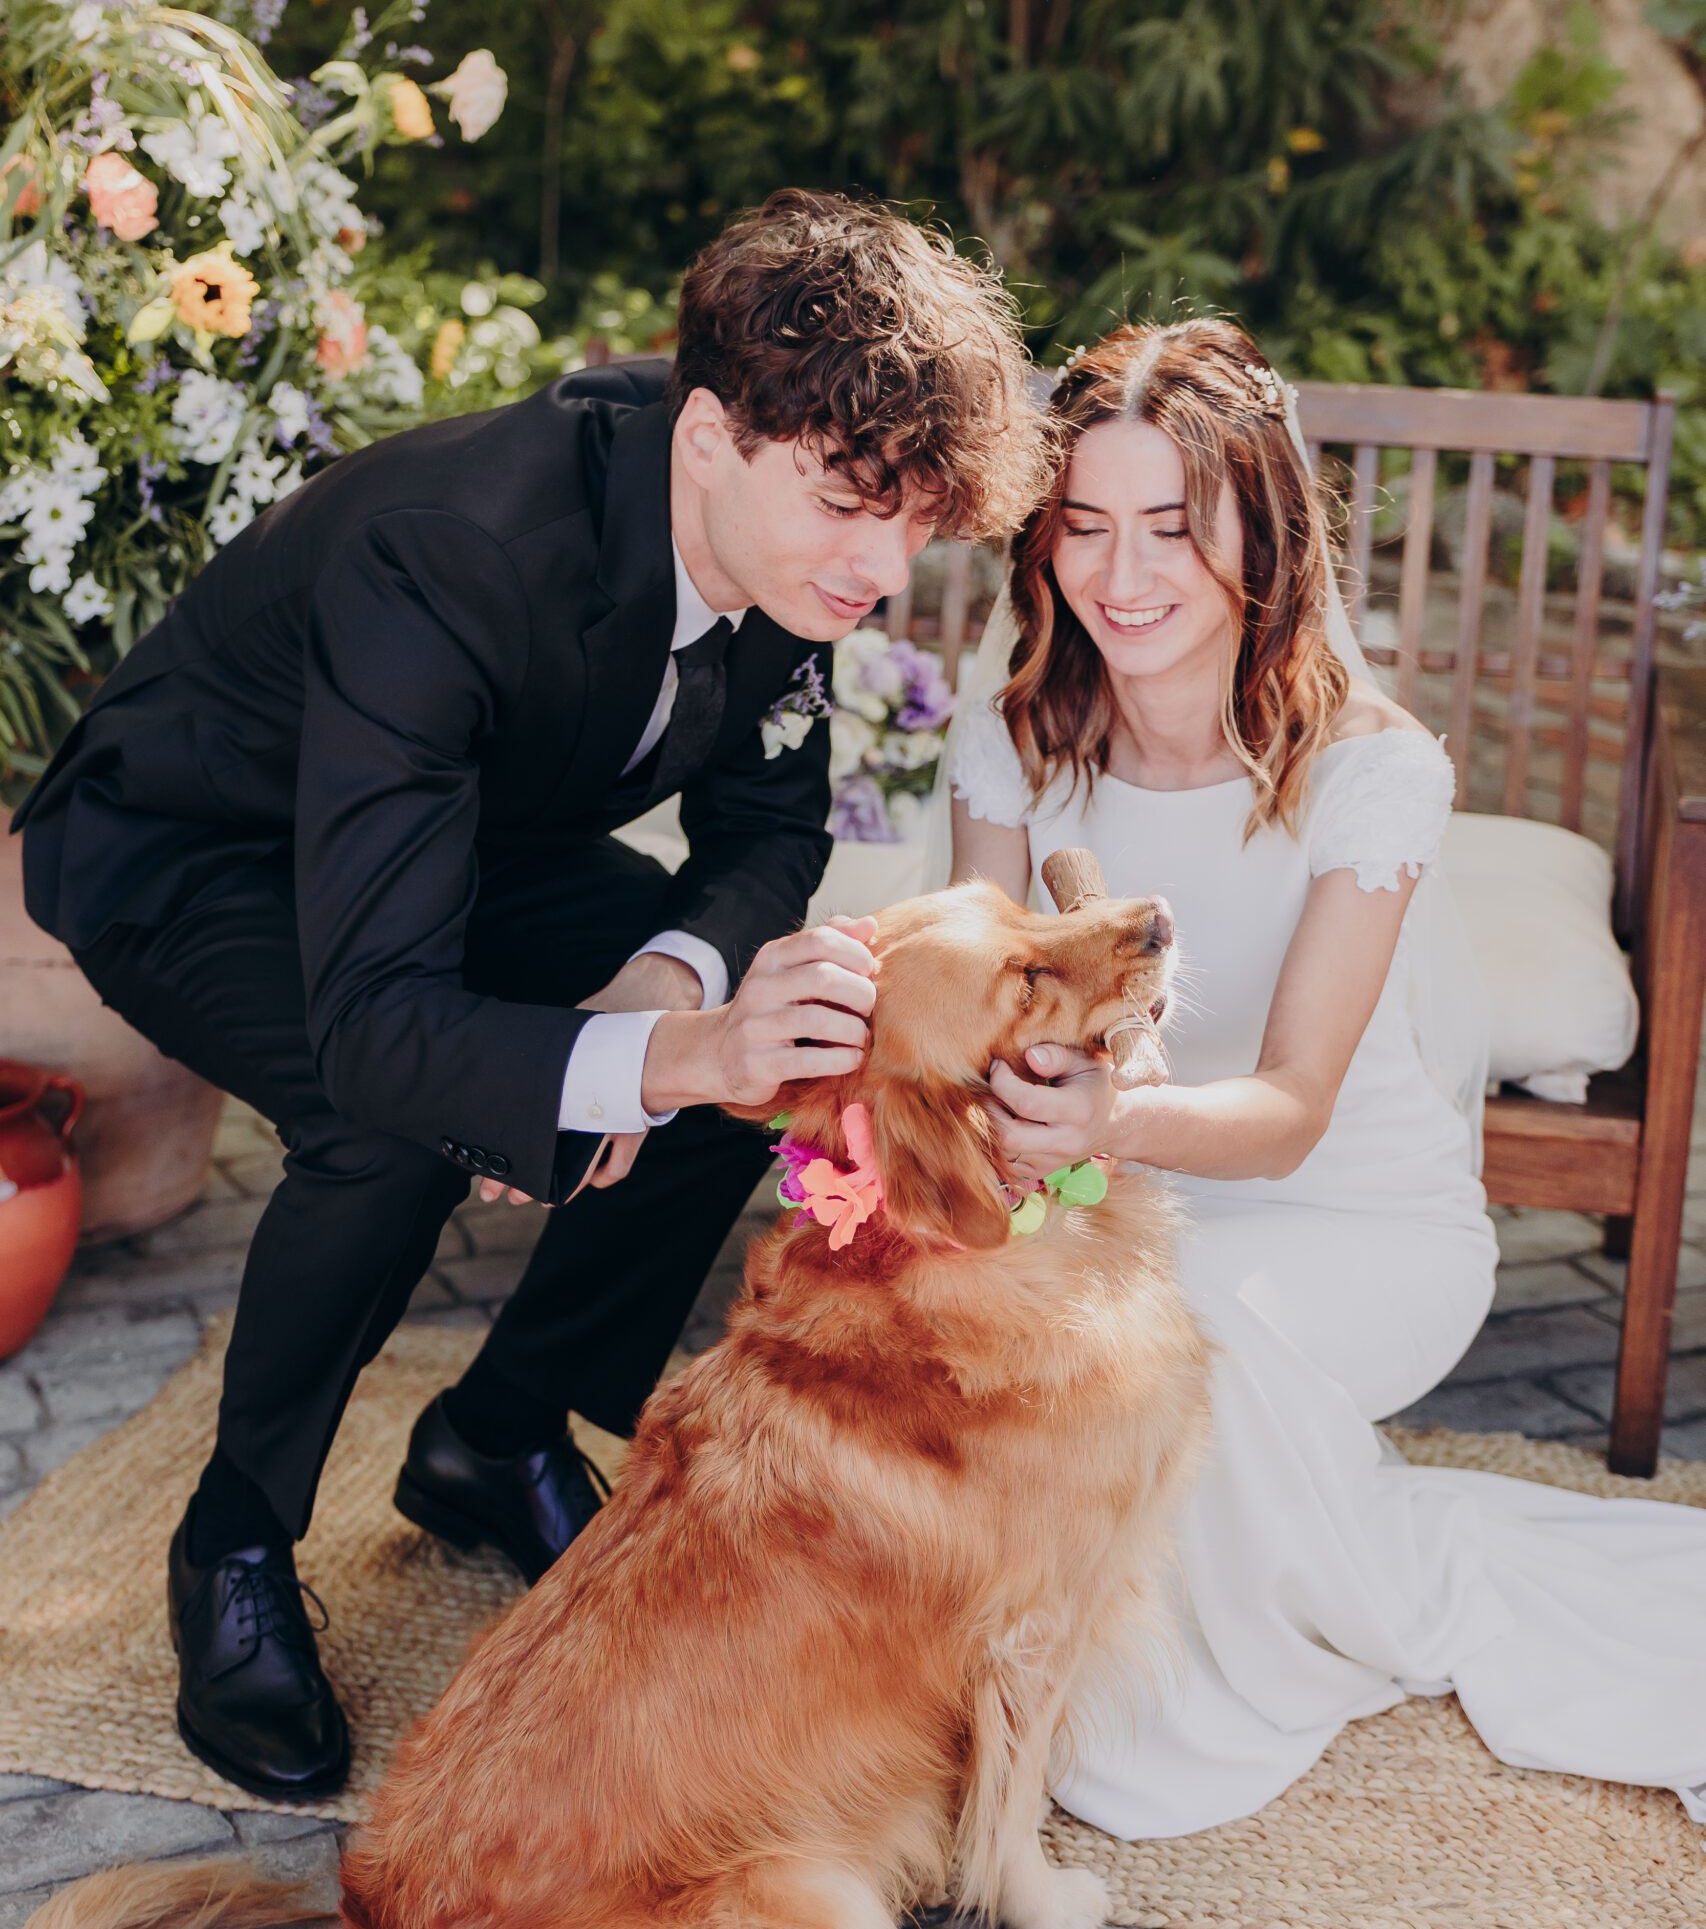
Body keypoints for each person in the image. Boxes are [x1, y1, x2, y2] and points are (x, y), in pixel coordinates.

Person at [13, 188, 1052, 1803]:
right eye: (853, 507)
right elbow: (378, 1023)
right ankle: (231, 1542)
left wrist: (658, 1011)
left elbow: (767, 833)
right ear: (707, 435)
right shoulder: (456, 550)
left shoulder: (789, 552)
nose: (882, 567)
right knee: (385, 1126)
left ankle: (493, 1436)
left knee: (758, 1057)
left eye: (915, 520)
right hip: (197, 848)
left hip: (461, 831)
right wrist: (617, 1058)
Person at [947, 315, 1706, 1837]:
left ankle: (1237, 1653)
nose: (1123, 572)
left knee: (1176, 1332)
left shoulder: (1368, 769)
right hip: (1112, 1199)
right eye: (1083, 527)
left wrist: (1115, 1118)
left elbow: (1292, 1112)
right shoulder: (1015, 742)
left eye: (1173, 526)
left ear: (1262, 536)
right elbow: (984, 1005)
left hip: (1352, 1227)